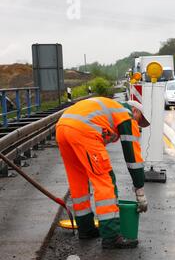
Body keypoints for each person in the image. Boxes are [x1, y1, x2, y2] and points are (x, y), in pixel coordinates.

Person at [56, 97, 150, 249]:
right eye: (140, 120)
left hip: (62, 128)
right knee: (105, 179)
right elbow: (133, 157)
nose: (138, 125)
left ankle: (86, 229)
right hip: (83, 130)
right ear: (135, 111)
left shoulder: (108, 110)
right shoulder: (126, 115)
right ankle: (111, 235)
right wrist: (140, 190)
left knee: (78, 181)